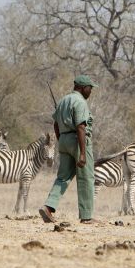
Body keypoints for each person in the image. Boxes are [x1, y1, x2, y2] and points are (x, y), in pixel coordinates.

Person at [38, 75, 99, 225]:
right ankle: (86, 216)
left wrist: (62, 141)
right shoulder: (80, 102)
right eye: (90, 88)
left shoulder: (63, 101)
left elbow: (56, 125)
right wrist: (82, 153)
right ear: (83, 87)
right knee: (86, 178)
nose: (91, 91)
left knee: (62, 177)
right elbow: (81, 127)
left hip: (64, 140)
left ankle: (48, 207)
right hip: (78, 141)